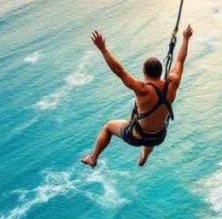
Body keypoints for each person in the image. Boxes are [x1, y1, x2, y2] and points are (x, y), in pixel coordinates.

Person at [80, 24, 193, 168]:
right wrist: (186, 39)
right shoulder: (172, 86)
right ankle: (144, 156)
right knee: (150, 135)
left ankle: (93, 158)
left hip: (135, 136)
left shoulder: (143, 89)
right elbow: (179, 61)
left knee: (108, 127)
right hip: (158, 138)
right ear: (160, 72)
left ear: (145, 73)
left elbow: (119, 71)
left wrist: (103, 48)